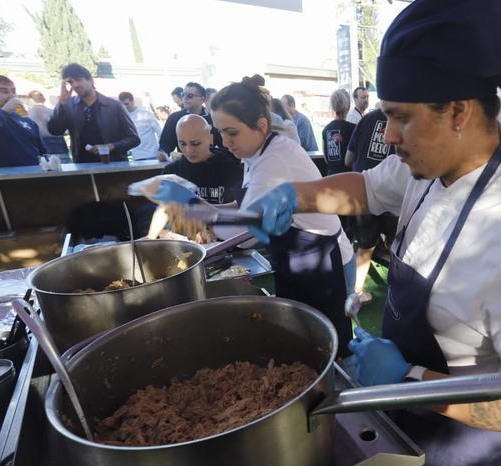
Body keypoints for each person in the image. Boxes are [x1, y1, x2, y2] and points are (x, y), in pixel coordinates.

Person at [239, 1, 501, 466]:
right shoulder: (430, 162)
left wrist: (408, 378)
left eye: (400, 118)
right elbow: (364, 187)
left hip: (474, 451)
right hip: (412, 421)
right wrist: (293, 194)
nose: (388, 134)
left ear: (458, 111)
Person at [154, 78, 356, 354]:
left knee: (328, 347)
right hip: (300, 259)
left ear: (261, 125)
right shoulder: (259, 151)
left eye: (232, 133)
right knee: (304, 342)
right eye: (220, 132)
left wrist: (196, 210)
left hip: (323, 265)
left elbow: (246, 233)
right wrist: (204, 207)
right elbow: (245, 205)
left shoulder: (274, 162)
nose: (225, 142)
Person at [147, 114, 243, 241]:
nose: (189, 150)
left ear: (210, 138)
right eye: (182, 143)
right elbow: (163, 213)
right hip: (187, 243)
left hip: (227, 242)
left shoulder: (233, 167)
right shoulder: (172, 172)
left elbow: (242, 208)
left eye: (196, 143)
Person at [344, 104, 397, 303]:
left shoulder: (365, 119)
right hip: (391, 195)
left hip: (364, 193)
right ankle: (396, 295)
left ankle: (356, 292)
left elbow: (348, 159)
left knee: (365, 246)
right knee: (396, 247)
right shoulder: (405, 116)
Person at [47, 63, 139, 163]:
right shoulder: (68, 106)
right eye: (71, 82)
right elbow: (55, 131)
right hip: (82, 167)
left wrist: (111, 146)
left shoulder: (114, 105)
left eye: (79, 79)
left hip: (113, 166)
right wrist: (62, 103)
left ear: (90, 80)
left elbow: (134, 138)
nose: (75, 85)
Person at [159, 82, 223, 158]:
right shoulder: (174, 118)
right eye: (183, 95)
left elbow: (223, 145)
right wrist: (163, 154)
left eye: (190, 96)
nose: (185, 98)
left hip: (210, 165)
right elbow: (166, 145)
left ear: (202, 99)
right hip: (185, 165)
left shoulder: (212, 118)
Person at [119, 92, 162, 160]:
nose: (125, 106)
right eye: (122, 105)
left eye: (126, 104)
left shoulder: (146, 113)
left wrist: (161, 149)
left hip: (151, 155)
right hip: (135, 157)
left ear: (132, 101)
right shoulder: (123, 117)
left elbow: (159, 132)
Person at [323, 89, 356, 176]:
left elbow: (326, 159)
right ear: (348, 106)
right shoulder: (354, 128)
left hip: (330, 177)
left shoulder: (326, 129)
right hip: (348, 177)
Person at [27, 90, 69, 156]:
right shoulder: (52, 112)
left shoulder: (26, 115)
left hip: (40, 147)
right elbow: (66, 131)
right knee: (63, 165)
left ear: (30, 100)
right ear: (44, 99)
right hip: (59, 145)